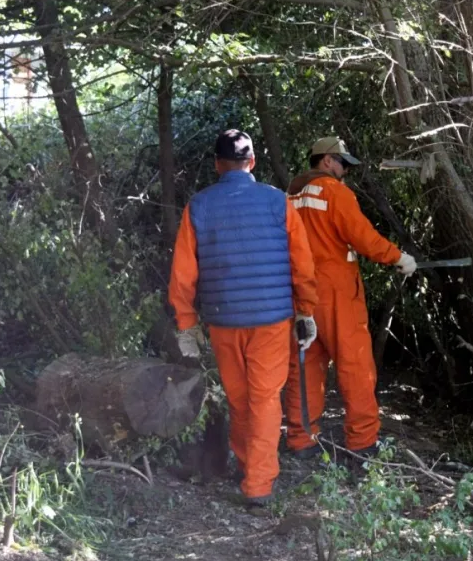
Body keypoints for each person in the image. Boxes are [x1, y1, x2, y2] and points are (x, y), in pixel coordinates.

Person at [168, 129, 318, 506]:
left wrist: (187, 324)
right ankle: (258, 485)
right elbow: (302, 264)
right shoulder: (276, 201)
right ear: (252, 162)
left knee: (239, 398)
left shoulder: (199, 206)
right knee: (265, 399)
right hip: (271, 320)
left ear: (218, 165)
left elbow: (183, 274)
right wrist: (307, 311)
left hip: (223, 321)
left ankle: (248, 464)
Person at [284, 136, 416, 460]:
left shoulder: (289, 195)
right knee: (355, 367)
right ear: (327, 160)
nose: (345, 170)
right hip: (336, 296)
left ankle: (301, 441)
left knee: (305, 367)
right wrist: (398, 257)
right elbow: (363, 237)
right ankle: (362, 445)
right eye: (342, 163)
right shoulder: (334, 192)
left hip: (298, 294)